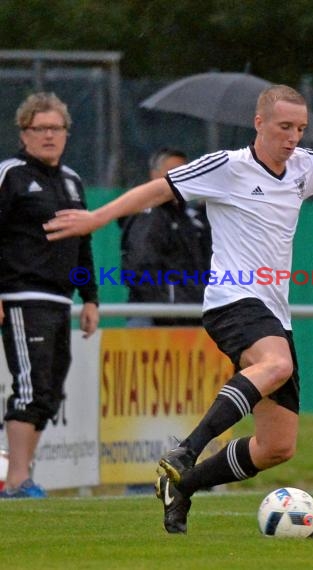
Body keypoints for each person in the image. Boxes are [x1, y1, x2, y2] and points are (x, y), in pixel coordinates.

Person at [44, 84, 313, 530]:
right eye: (284, 127)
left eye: (301, 128)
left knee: (277, 446)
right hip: (231, 299)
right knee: (276, 364)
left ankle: (183, 486)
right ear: (259, 123)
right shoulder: (228, 166)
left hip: (273, 311)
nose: (293, 137)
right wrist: (97, 217)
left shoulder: (304, 166)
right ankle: (186, 448)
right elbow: (158, 190)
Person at [0, 92, 99, 498]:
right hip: (22, 296)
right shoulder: (11, 174)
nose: (49, 136)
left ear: (66, 134)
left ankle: (23, 475)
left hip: (62, 301)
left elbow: (83, 244)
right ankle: (18, 479)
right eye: (40, 128)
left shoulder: (72, 181)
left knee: (50, 390)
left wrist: (90, 297)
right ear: (24, 133)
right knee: (30, 385)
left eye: (56, 128)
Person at [121, 147, 211, 327]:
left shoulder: (189, 218)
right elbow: (140, 267)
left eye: (185, 173)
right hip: (156, 319)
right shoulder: (151, 214)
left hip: (189, 317)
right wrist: (165, 311)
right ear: (154, 176)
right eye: (172, 173)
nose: (179, 179)